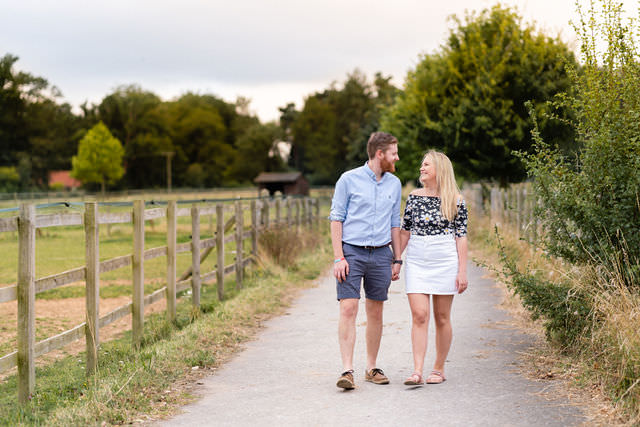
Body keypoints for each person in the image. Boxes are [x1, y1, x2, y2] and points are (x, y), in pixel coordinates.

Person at [329, 131, 403, 390]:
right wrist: (339, 257)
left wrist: (397, 258)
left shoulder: (395, 184)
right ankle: (347, 370)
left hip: (382, 254)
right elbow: (336, 218)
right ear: (380, 154)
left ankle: (371, 367)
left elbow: (395, 222)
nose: (397, 157)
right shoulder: (348, 180)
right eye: (394, 152)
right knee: (348, 308)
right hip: (352, 253)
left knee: (376, 310)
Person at [399, 150, 468, 386]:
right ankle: (417, 370)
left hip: (445, 261)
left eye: (426, 165)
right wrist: (396, 259)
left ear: (439, 169)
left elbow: (461, 237)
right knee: (419, 315)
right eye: (422, 164)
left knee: (441, 317)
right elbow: (405, 230)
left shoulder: (456, 200)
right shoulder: (413, 197)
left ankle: (438, 368)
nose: (421, 168)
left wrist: (462, 271)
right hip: (417, 260)